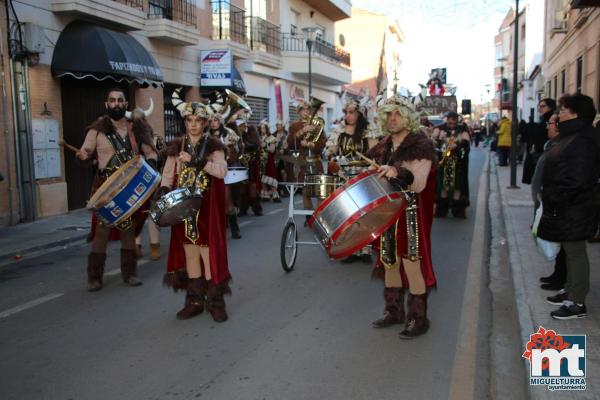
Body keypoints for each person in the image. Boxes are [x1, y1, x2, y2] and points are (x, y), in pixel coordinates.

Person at [366, 95, 437, 339]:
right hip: (388, 214)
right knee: (389, 261)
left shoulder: (420, 145)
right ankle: (393, 311)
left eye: (397, 113)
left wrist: (397, 170)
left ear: (408, 117)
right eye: (388, 114)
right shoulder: (383, 146)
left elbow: (418, 183)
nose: (392, 118)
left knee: (412, 262)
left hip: (411, 214)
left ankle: (418, 318)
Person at [76, 88, 158, 292]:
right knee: (102, 232)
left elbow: (150, 153)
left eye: (120, 100)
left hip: (129, 189)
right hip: (107, 190)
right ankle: (94, 278)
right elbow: (86, 150)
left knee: (128, 230)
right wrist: (83, 155)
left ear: (125, 104)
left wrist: (152, 165)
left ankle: (130, 274)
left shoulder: (136, 129)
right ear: (107, 104)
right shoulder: (96, 130)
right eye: (112, 100)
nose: (116, 104)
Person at [159, 89, 231, 321]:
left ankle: (215, 301)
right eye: (189, 121)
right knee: (189, 252)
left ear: (205, 123)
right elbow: (168, 176)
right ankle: (195, 300)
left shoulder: (214, 146)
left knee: (208, 253)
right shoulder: (176, 146)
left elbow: (221, 172)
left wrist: (198, 162)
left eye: (197, 121)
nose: (193, 125)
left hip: (207, 209)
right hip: (183, 208)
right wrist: (163, 195)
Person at [538, 94, 599, 320]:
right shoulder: (572, 136)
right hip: (567, 206)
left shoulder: (582, 140)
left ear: (575, 114)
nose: (559, 114)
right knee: (569, 249)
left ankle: (577, 301)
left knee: (575, 252)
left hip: (575, 207)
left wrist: (556, 196)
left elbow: (578, 179)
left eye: (564, 111)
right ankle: (571, 290)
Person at [326, 97, 382, 263]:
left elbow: (375, 153)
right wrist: (331, 154)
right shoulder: (340, 130)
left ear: (359, 114)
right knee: (348, 214)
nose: (348, 116)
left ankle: (364, 250)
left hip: (363, 176)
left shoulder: (368, 130)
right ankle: (350, 249)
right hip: (343, 176)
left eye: (352, 112)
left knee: (364, 214)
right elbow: (332, 151)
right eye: (346, 112)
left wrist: (370, 170)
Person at [531, 112, 565, 291]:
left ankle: (562, 280)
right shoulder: (551, 144)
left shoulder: (561, 145)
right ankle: (557, 275)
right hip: (545, 199)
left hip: (553, 200)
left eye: (550, 123)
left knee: (561, 244)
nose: (547, 126)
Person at [207, 101, 243, 239]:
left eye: (216, 120)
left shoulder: (228, 133)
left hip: (225, 171)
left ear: (220, 121)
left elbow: (237, 151)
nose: (213, 123)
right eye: (211, 120)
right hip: (210, 171)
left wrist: (228, 154)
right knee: (212, 202)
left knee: (227, 200)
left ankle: (234, 227)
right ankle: (217, 229)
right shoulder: (206, 135)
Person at [287, 100, 326, 222]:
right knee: (306, 192)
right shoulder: (294, 126)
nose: (306, 112)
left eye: (308, 109)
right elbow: (290, 143)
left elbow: (323, 142)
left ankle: (319, 218)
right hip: (302, 162)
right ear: (299, 112)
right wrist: (302, 132)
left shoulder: (317, 124)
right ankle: (309, 218)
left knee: (320, 191)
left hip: (315, 160)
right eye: (303, 110)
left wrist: (310, 144)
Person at [136, 122, 165, 260]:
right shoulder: (131, 142)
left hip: (154, 182)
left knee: (153, 214)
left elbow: (164, 159)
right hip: (136, 184)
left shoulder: (157, 140)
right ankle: (136, 246)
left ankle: (155, 246)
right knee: (136, 215)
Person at [432, 111, 470, 218]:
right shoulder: (439, 128)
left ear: (457, 121)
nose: (452, 123)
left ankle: (457, 209)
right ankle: (442, 209)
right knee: (442, 185)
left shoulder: (462, 129)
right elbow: (433, 140)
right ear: (447, 119)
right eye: (450, 120)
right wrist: (438, 138)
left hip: (458, 163)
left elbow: (465, 142)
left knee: (457, 185)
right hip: (443, 162)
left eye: (454, 121)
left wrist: (455, 144)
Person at [523, 99, 556, 184]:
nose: (540, 109)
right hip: (539, 155)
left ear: (550, 107)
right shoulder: (543, 120)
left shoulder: (552, 120)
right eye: (539, 106)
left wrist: (537, 147)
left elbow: (551, 139)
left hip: (545, 156)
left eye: (543, 106)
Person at [238, 121, 263, 216]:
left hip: (251, 163)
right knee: (242, 187)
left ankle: (257, 208)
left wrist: (244, 143)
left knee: (253, 186)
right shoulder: (237, 134)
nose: (241, 127)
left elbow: (255, 145)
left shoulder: (251, 132)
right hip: (241, 163)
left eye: (242, 125)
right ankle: (242, 209)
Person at [259, 120, 281, 202]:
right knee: (262, 179)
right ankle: (265, 195)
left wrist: (265, 146)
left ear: (267, 129)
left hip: (269, 160)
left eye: (264, 128)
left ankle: (275, 195)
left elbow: (272, 150)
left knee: (271, 176)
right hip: (260, 161)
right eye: (261, 128)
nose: (262, 130)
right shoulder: (258, 138)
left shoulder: (272, 138)